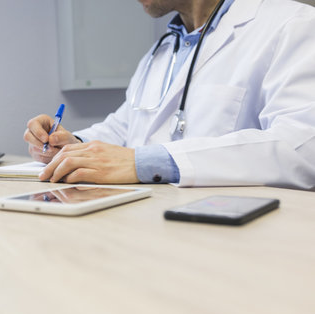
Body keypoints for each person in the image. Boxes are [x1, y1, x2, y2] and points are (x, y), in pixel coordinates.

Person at [23, 0, 315, 190]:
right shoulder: (163, 49)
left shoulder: (294, 25)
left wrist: (147, 162)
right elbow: (125, 127)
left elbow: (302, 147)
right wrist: (71, 145)